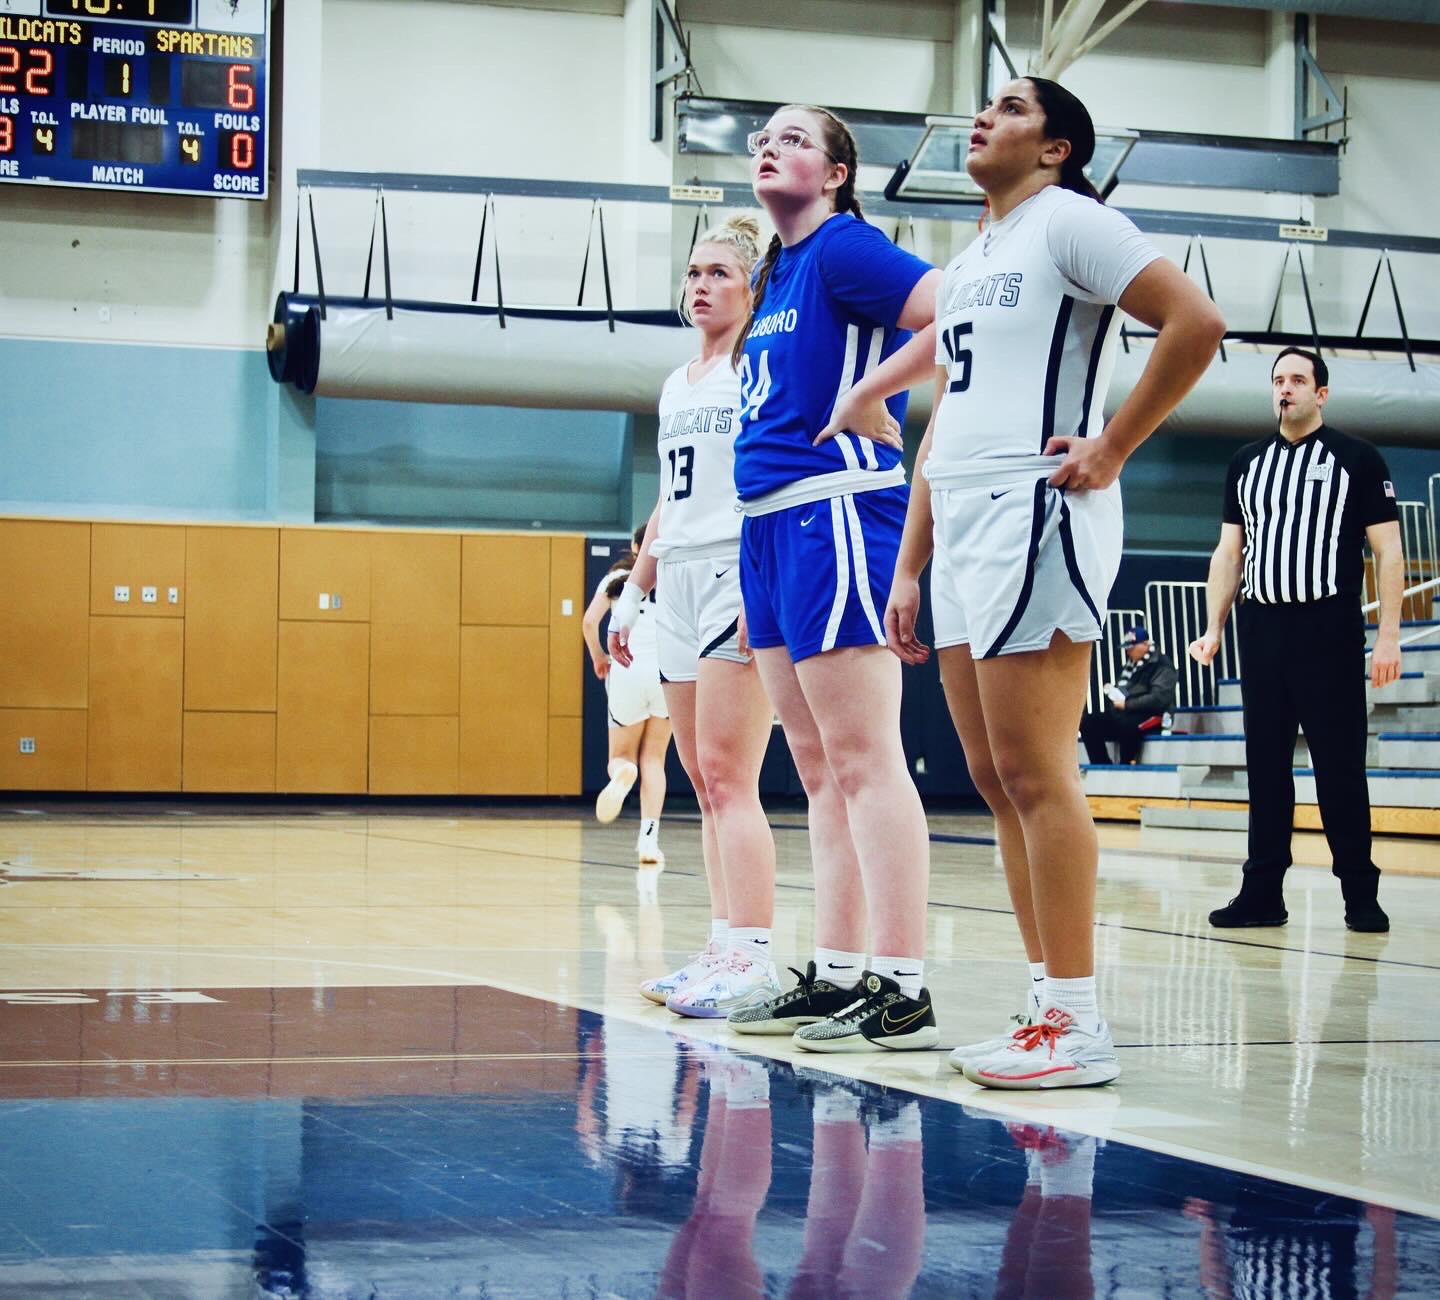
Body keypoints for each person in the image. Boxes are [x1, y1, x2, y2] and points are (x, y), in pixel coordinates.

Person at [834, 77, 1225, 1086]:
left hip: (1037, 505)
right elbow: (945, 420)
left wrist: (1113, 446)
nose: (985, 118)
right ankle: (1046, 1001)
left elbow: (1196, 321)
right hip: (960, 516)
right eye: (986, 107)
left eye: (1010, 109)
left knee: (1040, 770)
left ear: (1055, 147)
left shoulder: (1074, 223)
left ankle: (1079, 1019)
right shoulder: (970, 261)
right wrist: (911, 563)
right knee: (994, 778)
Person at [718, 103, 946, 1052]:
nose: (772, 147)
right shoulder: (778, 268)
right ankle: (840, 971)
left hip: (836, 510)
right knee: (813, 768)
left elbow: (958, 311)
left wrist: (869, 393)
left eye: (797, 139)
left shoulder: (847, 248)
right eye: (764, 138)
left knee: (863, 758)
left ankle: (904, 984)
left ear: (839, 172)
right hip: (768, 528)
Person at [608, 216, 781, 1018]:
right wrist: (633, 593)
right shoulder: (679, 383)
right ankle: (718, 946)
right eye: (694, 272)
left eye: (719, 272)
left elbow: (774, 477)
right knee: (700, 781)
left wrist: (760, 583)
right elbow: (668, 502)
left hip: (734, 572)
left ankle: (752, 955)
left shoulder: (759, 371)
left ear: (752, 286)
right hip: (674, 579)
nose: (702, 285)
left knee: (728, 774)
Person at [1190, 347, 1401, 933]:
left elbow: (1387, 550)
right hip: (1263, 630)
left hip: (1328, 630)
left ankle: (1360, 892)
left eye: (1298, 380)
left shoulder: (1358, 458)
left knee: (1339, 768)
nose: (1286, 389)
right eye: (1278, 380)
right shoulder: (1246, 461)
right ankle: (1262, 893)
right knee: (1266, 767)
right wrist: (1212, 628)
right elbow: (1229, 551)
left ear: (1321, 393)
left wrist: (1389, 637)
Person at [581, 525, 673, 864]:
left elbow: (590, 622)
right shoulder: (674, 576)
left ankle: (622, 772)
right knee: (655, 759)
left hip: (626, 670)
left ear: (636, 546)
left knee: (621, 757)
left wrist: (598, 657)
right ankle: (649, 841)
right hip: (666, 674)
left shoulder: (618, 579)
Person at [1079, 623, 1177, 765]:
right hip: (1127, 712)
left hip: (1154, 715)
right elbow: (1124, 690)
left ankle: (1127, 765)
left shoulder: (1163, 664)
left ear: (1145, 644)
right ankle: (1102, 765)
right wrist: (1114, 694)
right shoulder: (1131, 665)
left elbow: (1159, 699)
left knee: (1128, 724)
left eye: (1131, 648)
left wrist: (1127, 704)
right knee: (1088, 722)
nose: (1128, 652)